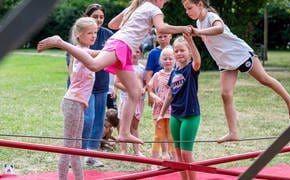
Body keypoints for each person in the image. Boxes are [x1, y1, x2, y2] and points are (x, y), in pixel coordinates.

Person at [37, 0, 192, 145]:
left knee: (136, 91)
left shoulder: (139, 7)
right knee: (94, 65)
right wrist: (183, 28)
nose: (165, 3)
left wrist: (131, 10)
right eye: (165, 0)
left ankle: (124, 132)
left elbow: (113, 24)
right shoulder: (153, 9)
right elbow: (162, 28)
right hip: (121, 44)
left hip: (124, 47)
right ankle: (60, 42)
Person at [181, 0, 290, 143]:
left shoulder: (211, 17)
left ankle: (289, 99)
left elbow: (219, 29)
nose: (187, 12)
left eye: (189, 8)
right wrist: (193, 34)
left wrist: (197, 32)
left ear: (200, 4)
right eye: (186, 9)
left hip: (239, 54)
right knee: (225, 94)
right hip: (226, 62)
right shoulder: (199, 23)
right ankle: (233, 132)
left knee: (264, 79)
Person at [58, 17, 98, 180]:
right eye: (90, 33)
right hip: (72, 103)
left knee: (76, 146)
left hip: (78, 104)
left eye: (95, 32)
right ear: (79, 35)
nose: (94, 35)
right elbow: (97, 53)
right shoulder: (82, 51)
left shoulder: (81, 51)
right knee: (69, 146)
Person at [75, 4, 114, 167]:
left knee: (98, 120)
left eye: (101, 17)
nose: (98, 20)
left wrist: (113, 86)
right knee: (87, 118)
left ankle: (91, 154)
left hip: (102, 84)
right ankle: (77, 154)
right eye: (95, 16)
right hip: (84, 85)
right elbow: (72, 60)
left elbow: (113, 59)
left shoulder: (108, 35)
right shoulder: (81, 34)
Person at [158, 34, 201, 180]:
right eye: (176, 51)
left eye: (182, 50)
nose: (179, 53)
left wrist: (190, 40)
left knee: (186, 153)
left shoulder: (191, 69)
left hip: (190, 115)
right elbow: (170, 94)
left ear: (189, 51)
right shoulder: (175, 71)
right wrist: (162, 113)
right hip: (175, 116)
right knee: (177, 153)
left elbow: (197, 60)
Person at [148, 47, 176, 170]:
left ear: (174, 60)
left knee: (171, 136)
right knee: (158, 136)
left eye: (170, 58)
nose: (168, 61)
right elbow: (150, 91)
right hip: (159, 111)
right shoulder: (157, 75)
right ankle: (153, 161)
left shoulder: (177, 74)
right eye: (165, 59)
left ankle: (175, 160)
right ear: (161, 60)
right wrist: (155, 98)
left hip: (172, 111)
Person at [115, 46, 146, 156]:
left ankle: (137, 151)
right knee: (123, 124)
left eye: (137, 51)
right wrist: (129, 88)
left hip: (139, 100)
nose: (134, 54)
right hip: (126, 99)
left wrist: (143, 89)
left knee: (134, 125)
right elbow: (117, 83)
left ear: (141, 53)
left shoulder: (143, 69)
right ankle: (123, 150)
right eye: (132, 51)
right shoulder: (124, 67)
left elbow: (146, 83)